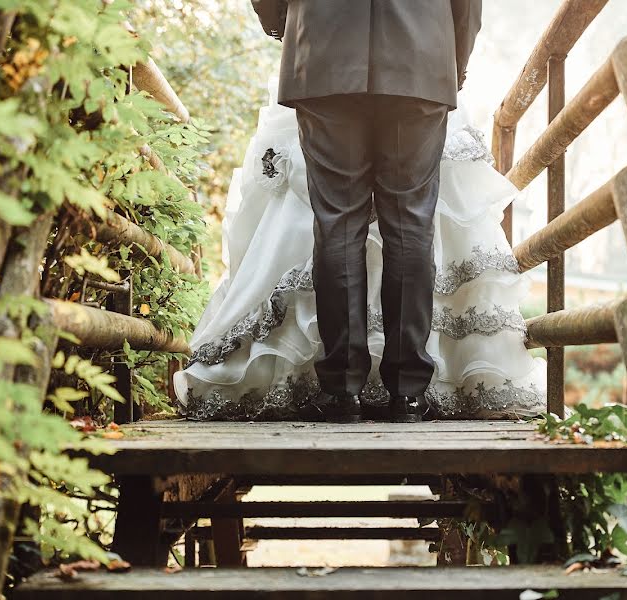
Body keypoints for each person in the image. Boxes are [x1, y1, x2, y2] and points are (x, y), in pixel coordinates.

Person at [173, 0, 545, 422]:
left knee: (336, 225)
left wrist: (284, 23)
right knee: (411, 226)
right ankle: (407, 392)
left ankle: (341, 391)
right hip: (420, 54)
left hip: (323, 52)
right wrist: (452, 53)